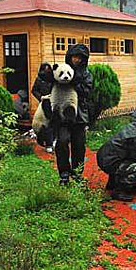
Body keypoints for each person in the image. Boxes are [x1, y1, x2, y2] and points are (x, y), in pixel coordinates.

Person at [97, 110, 136, 201]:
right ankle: (119, 190)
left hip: (105, 157)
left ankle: (112, 184)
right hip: (110, 162)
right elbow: (135, 156)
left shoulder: (135, 127)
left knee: (124, 162)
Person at [54, 44, 93, 184]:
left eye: (80, 58)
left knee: (79, 146)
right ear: (69, 57)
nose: (76, 60)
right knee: (62, 143)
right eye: (74, 57)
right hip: (63, 117)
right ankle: (64, 173)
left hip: (79, 116)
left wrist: (75, 82)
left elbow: (87, 92)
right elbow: (41, 86)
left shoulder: (86, 74)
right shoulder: (61, 70)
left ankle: (77, 174)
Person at [31, 63, 54, 152]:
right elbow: (34, 90)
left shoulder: (53, 80)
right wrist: (41, 97)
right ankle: (47, 143)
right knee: (45, 123)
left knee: (54, 122)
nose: (46, 72)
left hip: (53, 102)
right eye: (45, 70)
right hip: (44, 103)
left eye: (48, 70)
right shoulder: (39, 79)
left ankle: (52, 141)